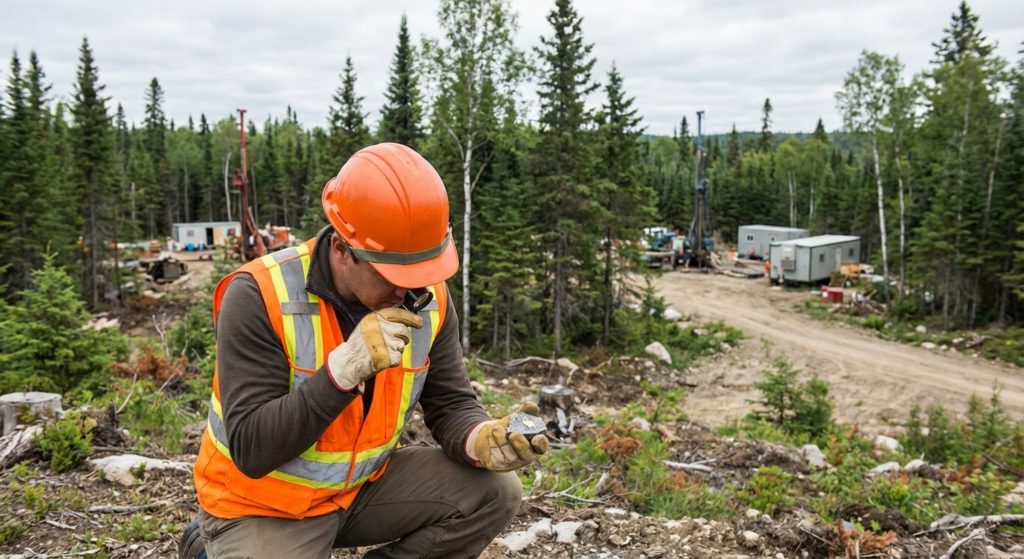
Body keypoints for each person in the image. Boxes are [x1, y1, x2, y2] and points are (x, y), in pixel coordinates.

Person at [190, 143, 549, 558]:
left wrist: (480, 439)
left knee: (496, 490)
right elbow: (253, 450)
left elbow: (450, 403)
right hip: (261, 506)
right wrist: (341, 373)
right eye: (394, 273)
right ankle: (206, 546)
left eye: (420, 271)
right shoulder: (259, 295)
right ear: (343, 248)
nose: (409, 289)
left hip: (359, 489)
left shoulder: (426, 294)